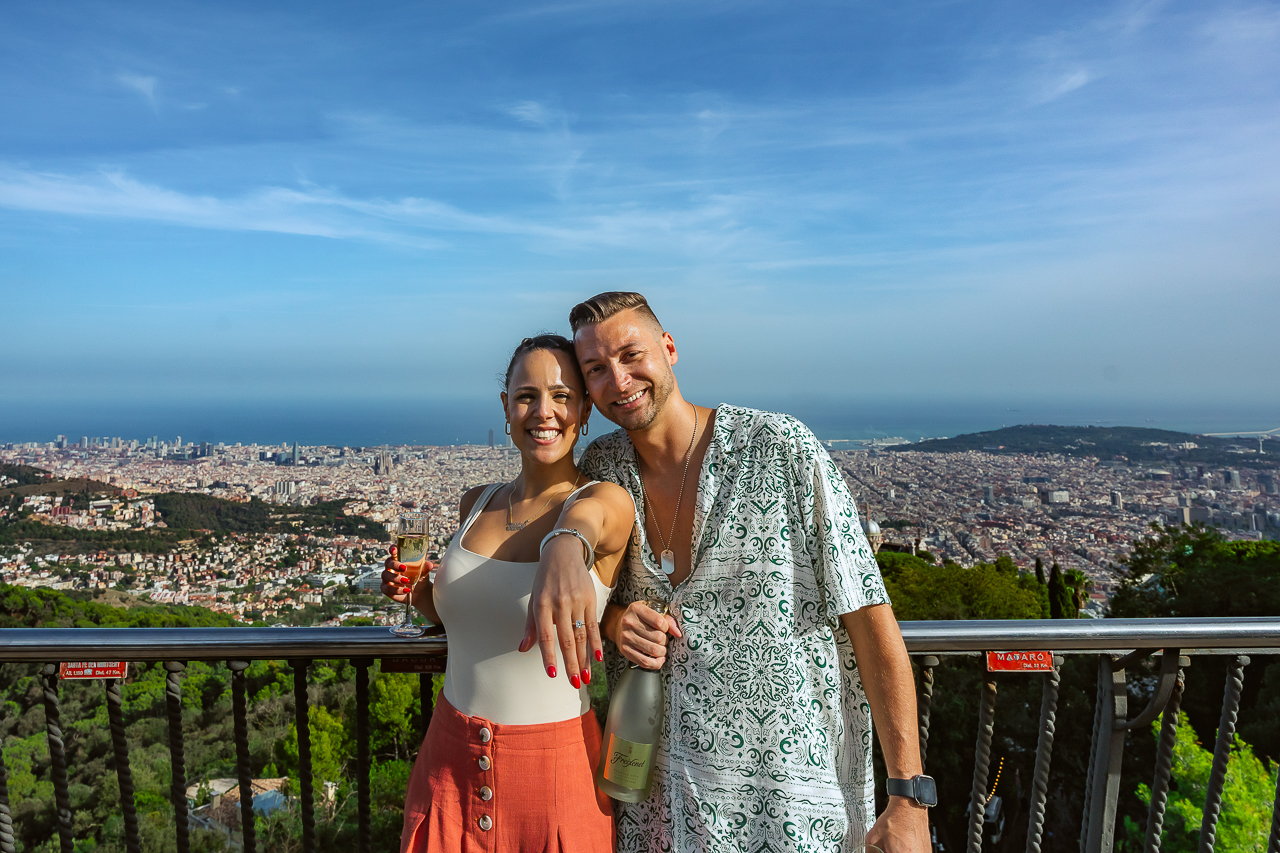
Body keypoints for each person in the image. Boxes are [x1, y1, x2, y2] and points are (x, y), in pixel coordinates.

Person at [523, 293, 932, 853]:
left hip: (795, 810)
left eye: (631, 354)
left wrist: (908, 797)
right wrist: (617, 620)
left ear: (668, 349)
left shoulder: (778, 448)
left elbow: (870, 620)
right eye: (595, 368)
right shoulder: (602, 468)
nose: (618, 380)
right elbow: (583, 599)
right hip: (660, 813)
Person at [382, 333, 636, 852]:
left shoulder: (602, 500)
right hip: (447, 758)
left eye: (563, 396)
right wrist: (416, 591)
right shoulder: (475, 503)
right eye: (527, 396)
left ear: (585, 409)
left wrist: (566, 543)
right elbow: (459, 616)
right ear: (506, 407)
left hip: (555, 771)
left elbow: (590, 522)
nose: (545, 412)